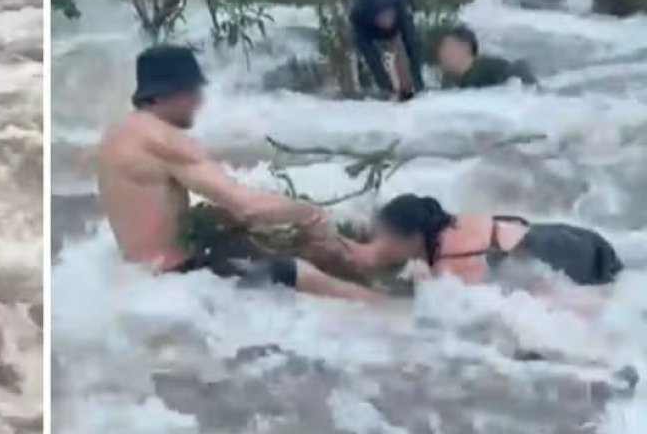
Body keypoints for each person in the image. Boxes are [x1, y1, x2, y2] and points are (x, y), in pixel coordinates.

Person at [95, 45, 385, 302]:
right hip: (179, 278)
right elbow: (247, 206)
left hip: (145, 278)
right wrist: (310, 213)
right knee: (302, 274)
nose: (199, 101)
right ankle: (396, 316)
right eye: (194, 91)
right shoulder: (164, 140)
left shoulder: (118, 135)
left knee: (289, 252)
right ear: (167, 93)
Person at [336, 194, 622, 287]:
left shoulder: (451, 264)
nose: (379, 243)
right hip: (568, 236)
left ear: (412, 238)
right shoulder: (452, 227)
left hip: (568, 257)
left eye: (384, 238)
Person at [350, 0, 425, 100]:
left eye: (389, 16)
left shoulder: (401, 11)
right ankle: (369, 86)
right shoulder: (360, 18)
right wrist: (386, 88)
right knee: (368, 54)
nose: (387, 21)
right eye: (383, 18)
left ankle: (407, 88)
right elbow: (372, 60)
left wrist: (419, 84)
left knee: (403, 47)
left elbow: (413, 49)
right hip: (370, 19)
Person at [436, 25, 537, 89]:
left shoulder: (486, 68)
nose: (440, 53)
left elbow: (519, 71)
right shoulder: (459, 81)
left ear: (464, 47)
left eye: (446, 46)